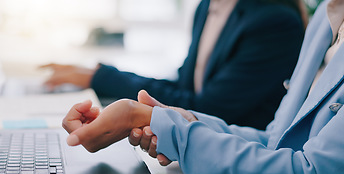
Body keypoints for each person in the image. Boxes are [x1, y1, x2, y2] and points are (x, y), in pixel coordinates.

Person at [61, 0, 344, 174]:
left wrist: (152, 121)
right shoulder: (330, 13)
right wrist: (171, 118)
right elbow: (274, 139)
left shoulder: (275, 18)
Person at [42, 0, 307, 130]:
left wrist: (101, 78)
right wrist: (97, 76)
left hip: (234, 165)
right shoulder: (209, 6)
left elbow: (207, 107)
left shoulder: (274, 21)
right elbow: (184, 87)